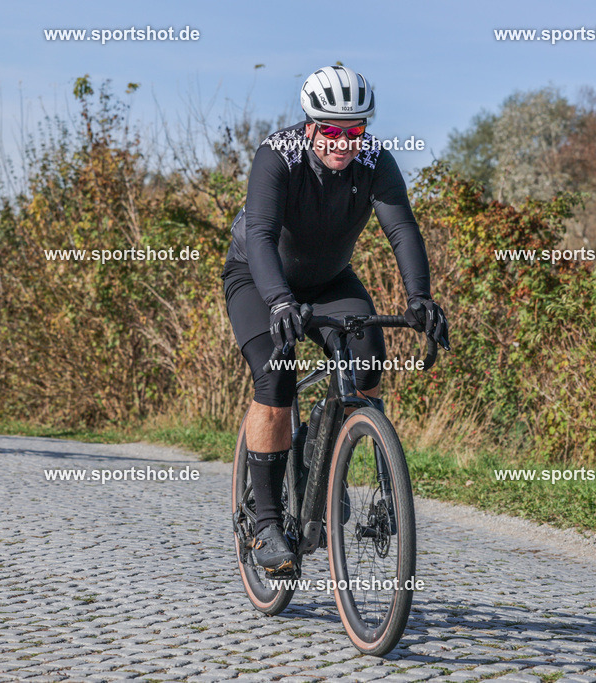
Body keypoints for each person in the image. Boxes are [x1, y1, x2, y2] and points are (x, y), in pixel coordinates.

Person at [222, 66, 449, 573]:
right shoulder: (276, 156)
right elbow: (259, 236)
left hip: (329, 282)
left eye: (354, 130)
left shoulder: (375, 161)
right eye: (331, 129)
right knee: (275, 381)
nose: (343, 142)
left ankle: (325, 461)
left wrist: (420, 298)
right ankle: (265, 523)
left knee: (367, 369)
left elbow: (402, 228)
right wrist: (280, 301)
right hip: (258, 279)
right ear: (310, 127)